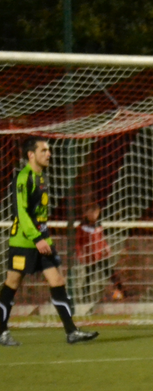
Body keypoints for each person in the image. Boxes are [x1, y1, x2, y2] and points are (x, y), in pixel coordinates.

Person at [1, 136, 98, 346]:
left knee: (58, 281)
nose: (49, 154)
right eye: (44, 150)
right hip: (24, 242)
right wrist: (37, 238)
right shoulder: (23, 178)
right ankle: (1, 331)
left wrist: (44, 237)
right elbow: (21, 213)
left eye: (49, 150)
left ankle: (71, 331)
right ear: (31, 154)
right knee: (12, 284)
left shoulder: (41, 177)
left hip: (42, 239)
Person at [74, 203, 124, 303]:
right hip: (90, 256)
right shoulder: (82, 226)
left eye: (96, 213)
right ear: (87, 213)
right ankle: (85, 298)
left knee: (110, 273)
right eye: (92, 213)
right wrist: (80, 254)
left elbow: (101, 238)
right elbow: (78, 243)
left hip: (101, 255)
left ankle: (122, 291)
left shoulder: (98, 225)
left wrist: (106, 247)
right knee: (88, 277)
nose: (94, 215)